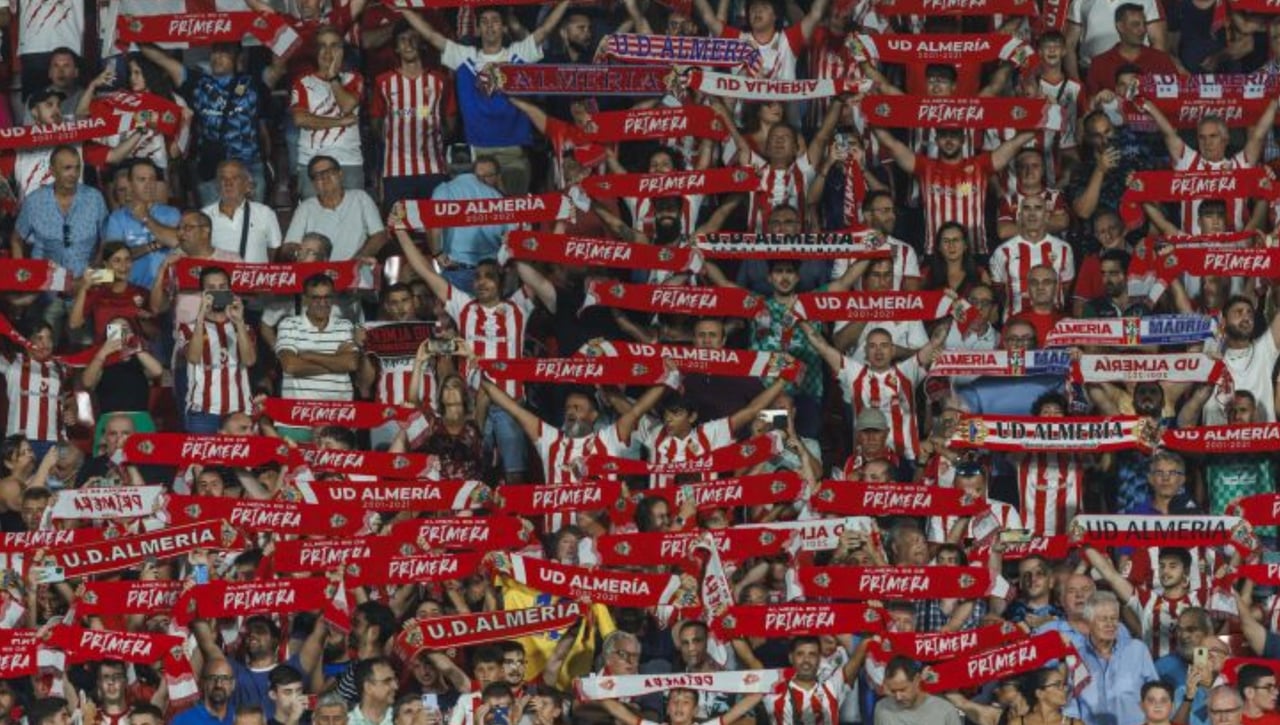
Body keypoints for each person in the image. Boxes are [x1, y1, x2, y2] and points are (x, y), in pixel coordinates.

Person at [874, 656, 961, 725]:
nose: (898, 697)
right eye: (893, 691)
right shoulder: (882, 709)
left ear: (917, 680)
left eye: (903, 689)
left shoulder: (945, 711)